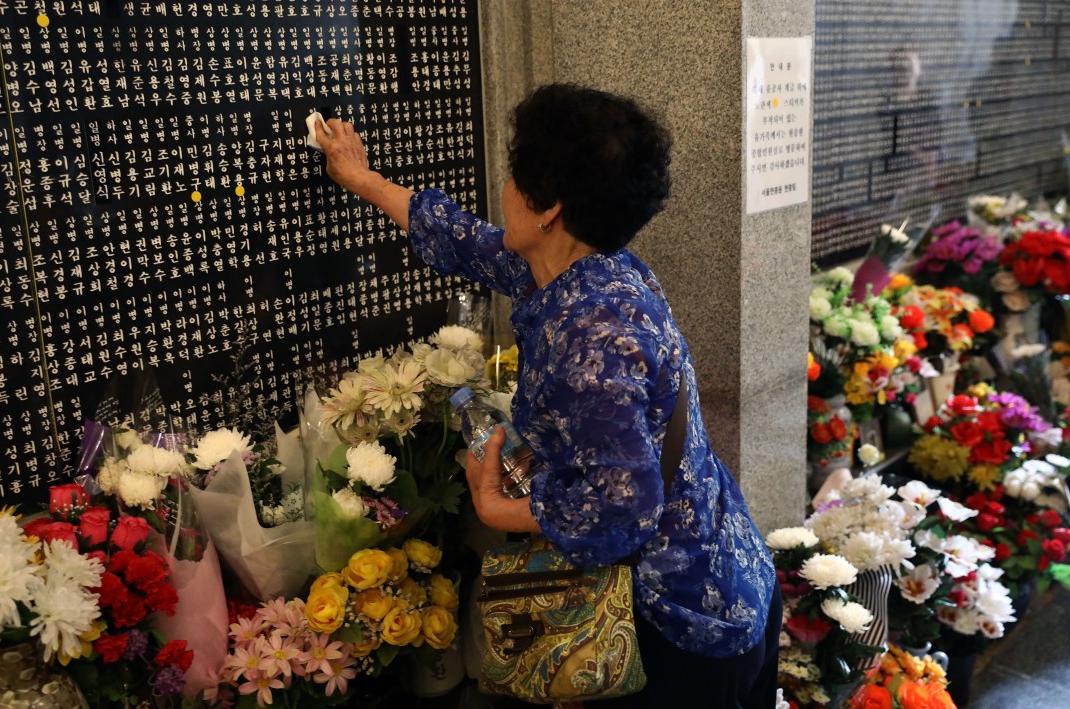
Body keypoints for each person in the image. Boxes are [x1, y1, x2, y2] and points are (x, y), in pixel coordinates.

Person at [316, 83, 781, 708]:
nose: (502, 190)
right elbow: (470, 242)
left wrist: (495, 507)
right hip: (724, 564)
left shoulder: (592, 339)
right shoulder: (589, 267)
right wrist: (365, 179)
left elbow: (622, 511)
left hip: (678, 621)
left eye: (514, 176)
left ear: (548, 208)